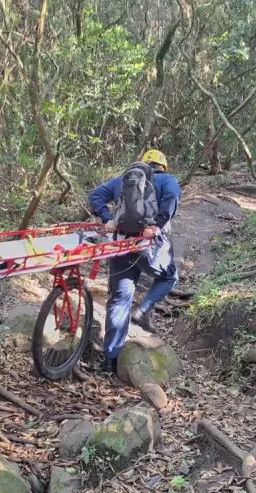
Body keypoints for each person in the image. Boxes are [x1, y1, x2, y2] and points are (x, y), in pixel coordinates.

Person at [88, 149, 181, 374]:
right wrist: (156, 226)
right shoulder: (168, 180)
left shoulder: (122, 179)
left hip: (121, 245)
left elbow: (95, 196)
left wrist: (108, 219)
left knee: (119, 300)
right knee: (170, 276)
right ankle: (143, 310)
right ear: (163, 166)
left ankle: (110, 362)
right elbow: (171, 200)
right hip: (149, 246)